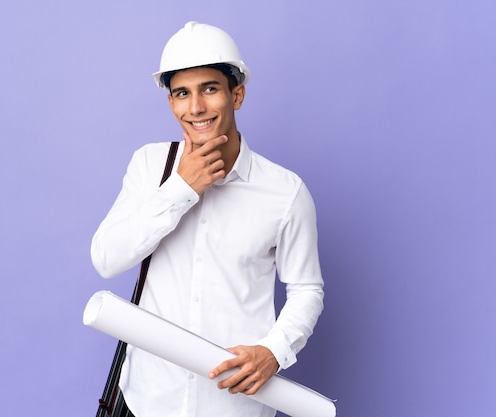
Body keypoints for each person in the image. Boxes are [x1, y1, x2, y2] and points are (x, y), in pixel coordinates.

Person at [91, 21, 324, 417]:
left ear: (238, 94)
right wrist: (181, 188)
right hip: (148, 399)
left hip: (232, 406)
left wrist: (274, 351)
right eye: (182, 93)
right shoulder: (150, 167)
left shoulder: (286, 191)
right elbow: (106, 259)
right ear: (171, 103)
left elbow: (307, 289)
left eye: (210, 89)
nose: (195, 108)